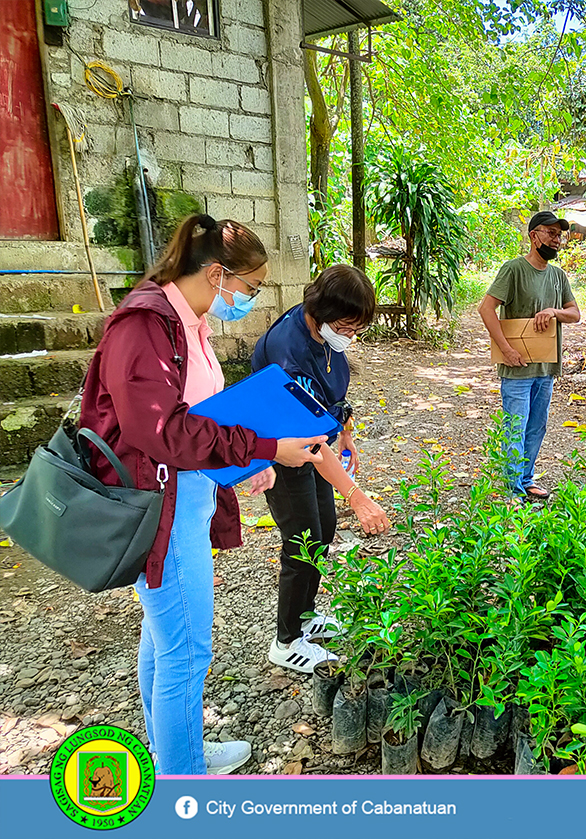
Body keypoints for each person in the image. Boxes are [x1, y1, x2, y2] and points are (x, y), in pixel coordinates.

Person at [79, 214, 327, 774]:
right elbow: (160, 432)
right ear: (218, 274)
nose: (249, 300)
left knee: (165, 638)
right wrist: (263, 446)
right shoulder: (143, 326)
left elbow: (200, 416)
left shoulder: (186, 322)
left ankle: (177, 748)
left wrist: (248, 461)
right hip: (158, 506)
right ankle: (183, 777)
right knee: (187, 650)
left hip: (185, 495)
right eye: (250, 288)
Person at [251, 265, 392, 674]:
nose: (350, 336)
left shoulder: (325, 332)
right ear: (323, 310)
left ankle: (305, 614)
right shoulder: (289, 353)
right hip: (281, 451)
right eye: (347, 326)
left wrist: (345, 431)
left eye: (356, 328)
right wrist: (358, 496)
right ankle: (286, 640)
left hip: (313, 443)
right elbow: (310, 439)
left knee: (324, 528)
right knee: (301, 539)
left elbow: (331, 398)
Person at [479, 211, 581, 499]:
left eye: (559, 235)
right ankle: (513, 490)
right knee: (515, 427)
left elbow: (574, 314)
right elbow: (486, 309)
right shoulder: (513, 270)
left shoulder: (558, 276)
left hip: (546, 368)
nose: (557, 240)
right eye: (551, 233)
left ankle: (526, 478)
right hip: (517, 369)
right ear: (533, 236)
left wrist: (554, 311)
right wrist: (507, 350)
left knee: (537, 425)